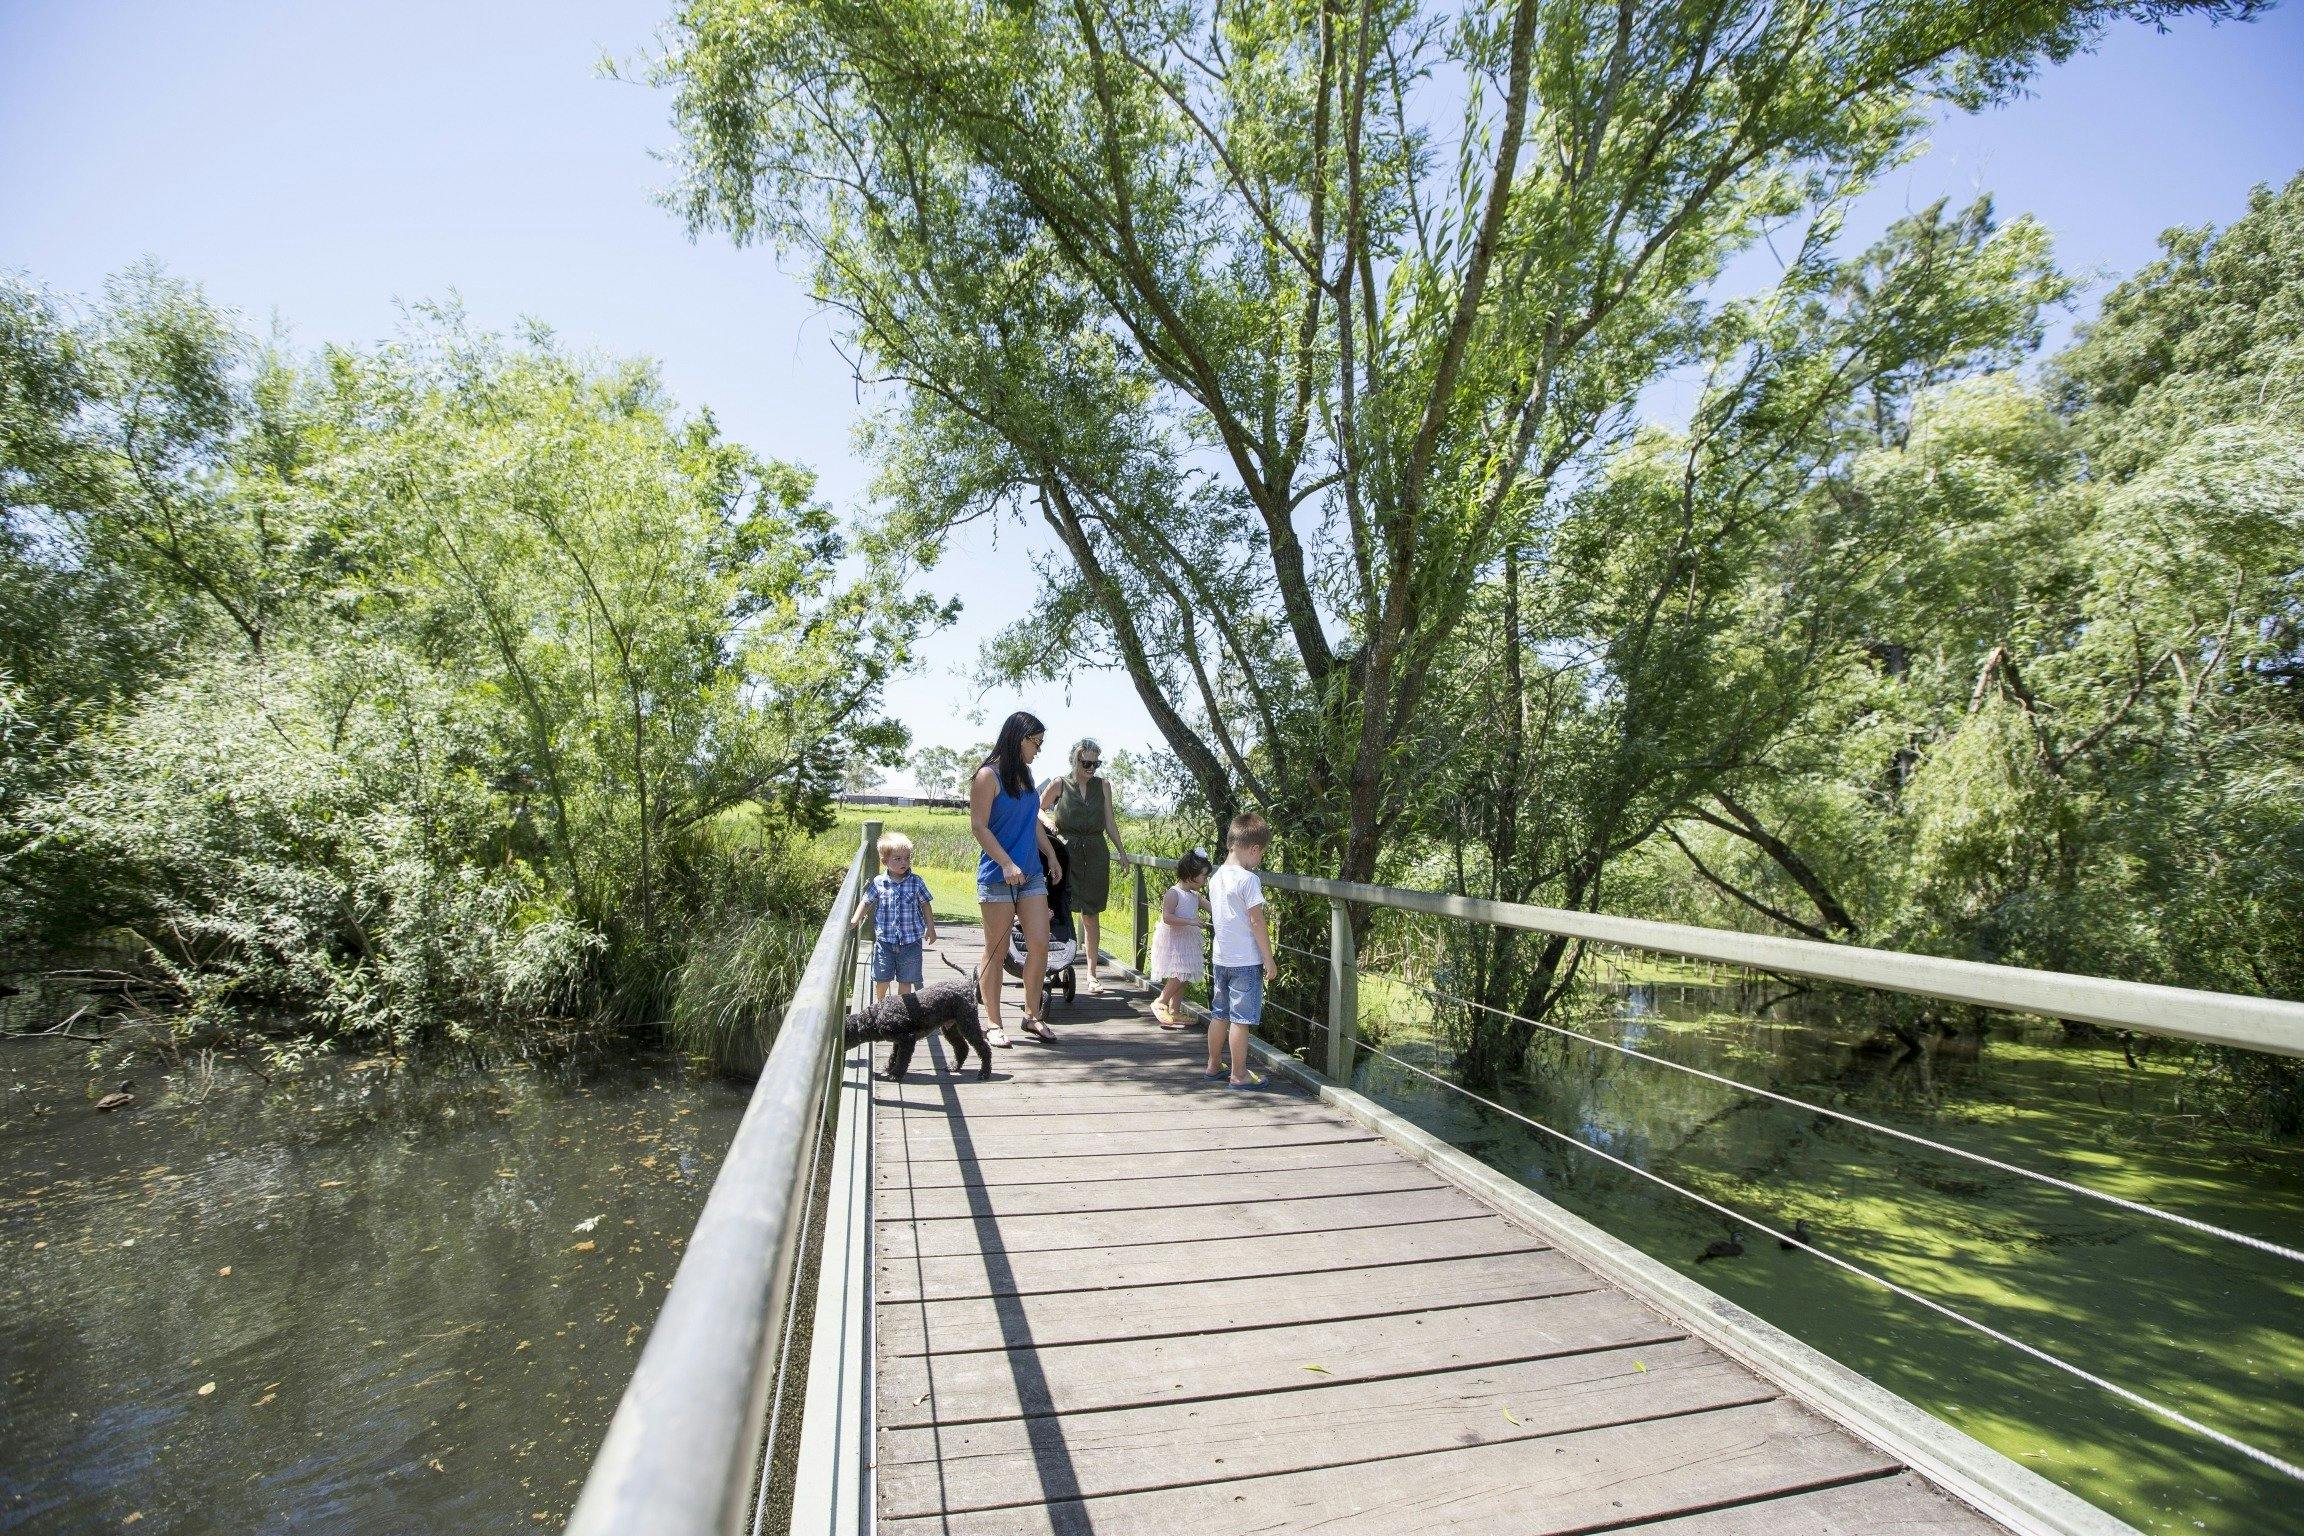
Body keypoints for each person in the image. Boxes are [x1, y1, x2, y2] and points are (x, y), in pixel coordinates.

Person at [969, 711, 1063, 1045]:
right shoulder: (986, 776)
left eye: (1040, 744)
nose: (1037, 750)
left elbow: (1032, 821)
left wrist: (1050, 855)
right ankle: (993, 1024)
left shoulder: (1025, 775)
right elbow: (978, 827)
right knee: (996, 948)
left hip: (1031, 876)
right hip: (998, 875)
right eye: (1035, 743)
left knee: (1039, 943)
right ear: (1018, 738)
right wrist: (1007, 863)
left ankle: (1032, 1015)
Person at [1041, 738, 1131, 993]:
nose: (1092, 767)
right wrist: (1049, 824)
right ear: (1075, 760)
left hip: (1095, 853)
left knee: (1090, 915)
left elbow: (1110, 822)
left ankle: (1092, 974)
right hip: (1065, 853)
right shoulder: (1059, 783)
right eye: (1086, 762)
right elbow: (1037, 809)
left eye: (1096, 762)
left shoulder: (1103, 786)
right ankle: (1055, 966)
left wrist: (1122, 852)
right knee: (1060, 910)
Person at [1205, 812, 1278, 1088]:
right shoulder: (1249, 880)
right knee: (1241, 1019)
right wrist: (1268, 960)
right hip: (1246, 961)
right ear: (1254, 849)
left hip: (1221, 958)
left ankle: (1213, 1065)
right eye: (1261, 855)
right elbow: (1256, 921)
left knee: (1219, 1014)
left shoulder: (1215, 877)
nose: (1259, 861)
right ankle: (1239, 1073)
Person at [847, 830, 936, 1003]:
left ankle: (902, 1011)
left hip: (911, 942)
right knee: (882, 978)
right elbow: (866, 901)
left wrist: (930, 927)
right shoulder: (879, 882)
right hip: (885, 941)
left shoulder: (916, 881)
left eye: (907, 858)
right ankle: (880, 1005)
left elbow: (925, 903)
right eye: (898, 859)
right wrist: (855, 920)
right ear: (884, 861)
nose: (904, 862)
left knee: (906, 979)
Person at [1149, 849, 1212, 1029]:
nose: (1204, 880)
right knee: (1180, 973)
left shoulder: (1195, 896)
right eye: (1203, 876)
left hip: (1188, 940)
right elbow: (1167, 918)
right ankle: (1161, 1001)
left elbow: (1212, 908)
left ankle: (1174, 1010)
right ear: (1190, 875)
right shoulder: (1174, 893)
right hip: (1175, 939)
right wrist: (1190, 921)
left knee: (1185, 975)